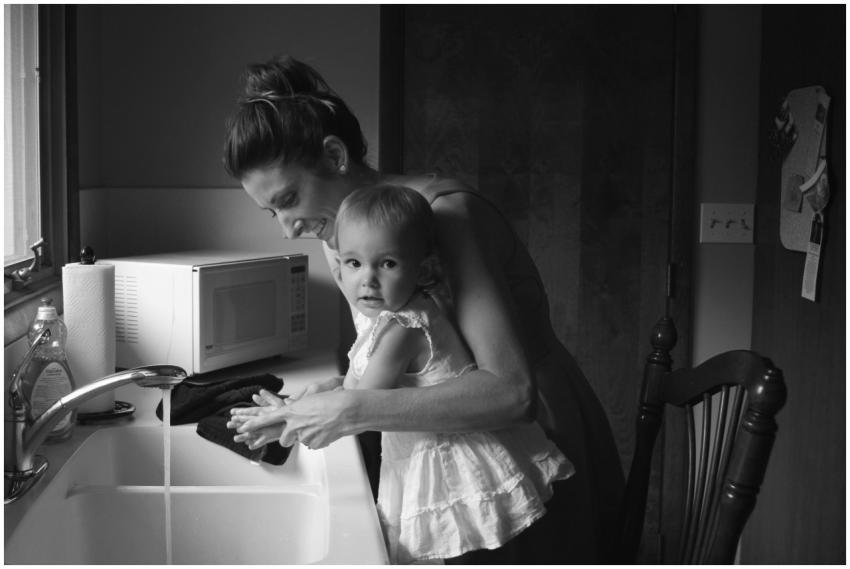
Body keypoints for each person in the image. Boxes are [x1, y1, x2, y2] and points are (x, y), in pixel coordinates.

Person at [223, 55, 624, 563]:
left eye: (289, 198)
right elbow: (403, 356)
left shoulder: (446, 217)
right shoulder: (340, 237)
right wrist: (314, 401)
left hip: (530, 445)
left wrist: (351, 409)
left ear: (334, 154)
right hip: (438, 454)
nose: (287, 227)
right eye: (271, 211)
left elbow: (510, 392)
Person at [233, 184, 575, 563]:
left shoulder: (403, 327)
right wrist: (298, 404)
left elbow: (359, 403)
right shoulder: (395, 316)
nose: (368, 279)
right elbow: (351, 387)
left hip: (451, 466)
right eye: (353, 263)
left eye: (388, 263)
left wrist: (284, 418)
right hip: (441, 452)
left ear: (422, 268)